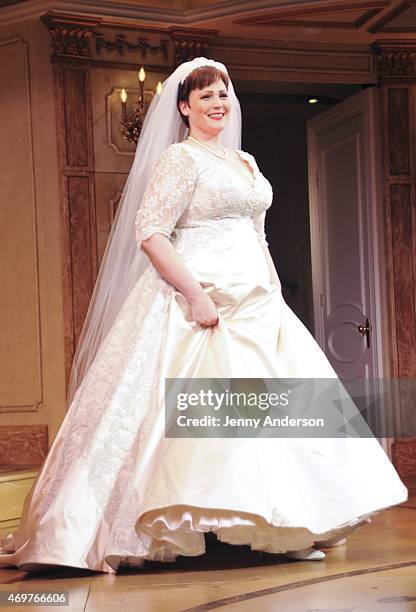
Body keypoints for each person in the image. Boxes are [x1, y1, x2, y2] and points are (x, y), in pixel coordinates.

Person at [0, 57, 407, 575]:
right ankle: (174, 526)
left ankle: (281, 528)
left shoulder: (248, 163)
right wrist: (195, 295)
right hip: (199, 297)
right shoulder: (180, 159)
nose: (218, 103)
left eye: (224, 94)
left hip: (257, 300)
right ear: (185, 107)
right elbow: (151, 233)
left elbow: (257, 234)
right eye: (206, 96)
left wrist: (272, 289)